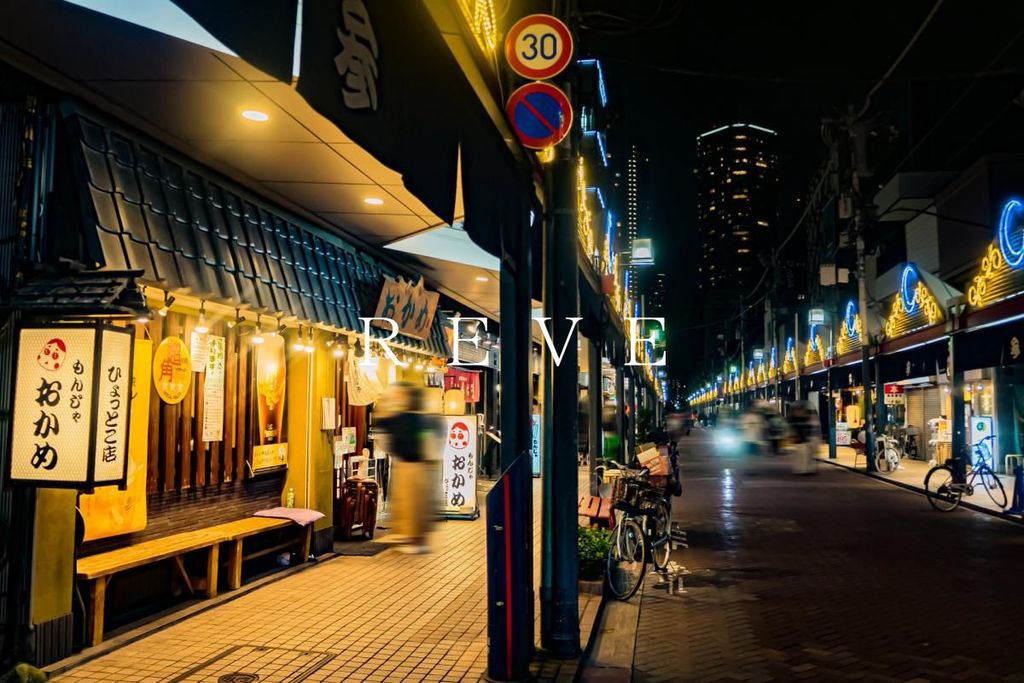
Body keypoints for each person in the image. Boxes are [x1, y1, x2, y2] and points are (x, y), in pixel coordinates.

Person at [373, 382, 444, 553]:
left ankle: (414, 540)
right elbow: (433, 442)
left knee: (411, 505)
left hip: (407, 465)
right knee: (416, 505)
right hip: (421, 466)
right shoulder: (426, 420)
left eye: (401, 395)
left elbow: (381, 430)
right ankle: (416, 539)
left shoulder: (402, 419)